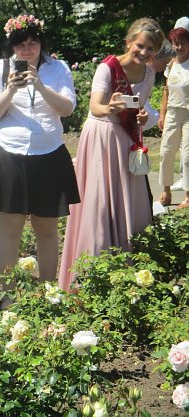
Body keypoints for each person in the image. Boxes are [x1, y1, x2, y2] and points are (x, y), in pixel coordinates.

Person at [0, 14, 79, 300]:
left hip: (49, 155)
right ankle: (8, 296)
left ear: (41, 43)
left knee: (46, 229)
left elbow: (67, 108)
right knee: (10, 228)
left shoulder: (58, 68)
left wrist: (41, 86)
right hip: (10, 153)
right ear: (12, 46)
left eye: (33, 43)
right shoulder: (1, 68)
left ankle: (48, 295)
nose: (27, 50)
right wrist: (11, 88)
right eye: (21, 44)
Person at [59, 18, 165, 291]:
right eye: (140, 46)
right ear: (129, 42)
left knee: (131, 202)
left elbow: (144, 108)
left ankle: (133, 272)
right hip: (102, 138)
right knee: (100, 204)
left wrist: (143, 117)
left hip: (127, 141)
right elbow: (95, 107)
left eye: (150, 49)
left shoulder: (150, 74)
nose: (144, 53)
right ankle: (93, 275)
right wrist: (112, 107)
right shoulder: (107, 69)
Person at [158, 16, 189, 208]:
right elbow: (166, 90)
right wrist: (162, 114)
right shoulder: (172, 64)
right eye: (175, 43)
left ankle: (188, 195)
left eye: (183, 43)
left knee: (187, 155)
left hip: (188, 115)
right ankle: (166, 191)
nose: (178, 47)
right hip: (171, 113)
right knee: (166, 152)